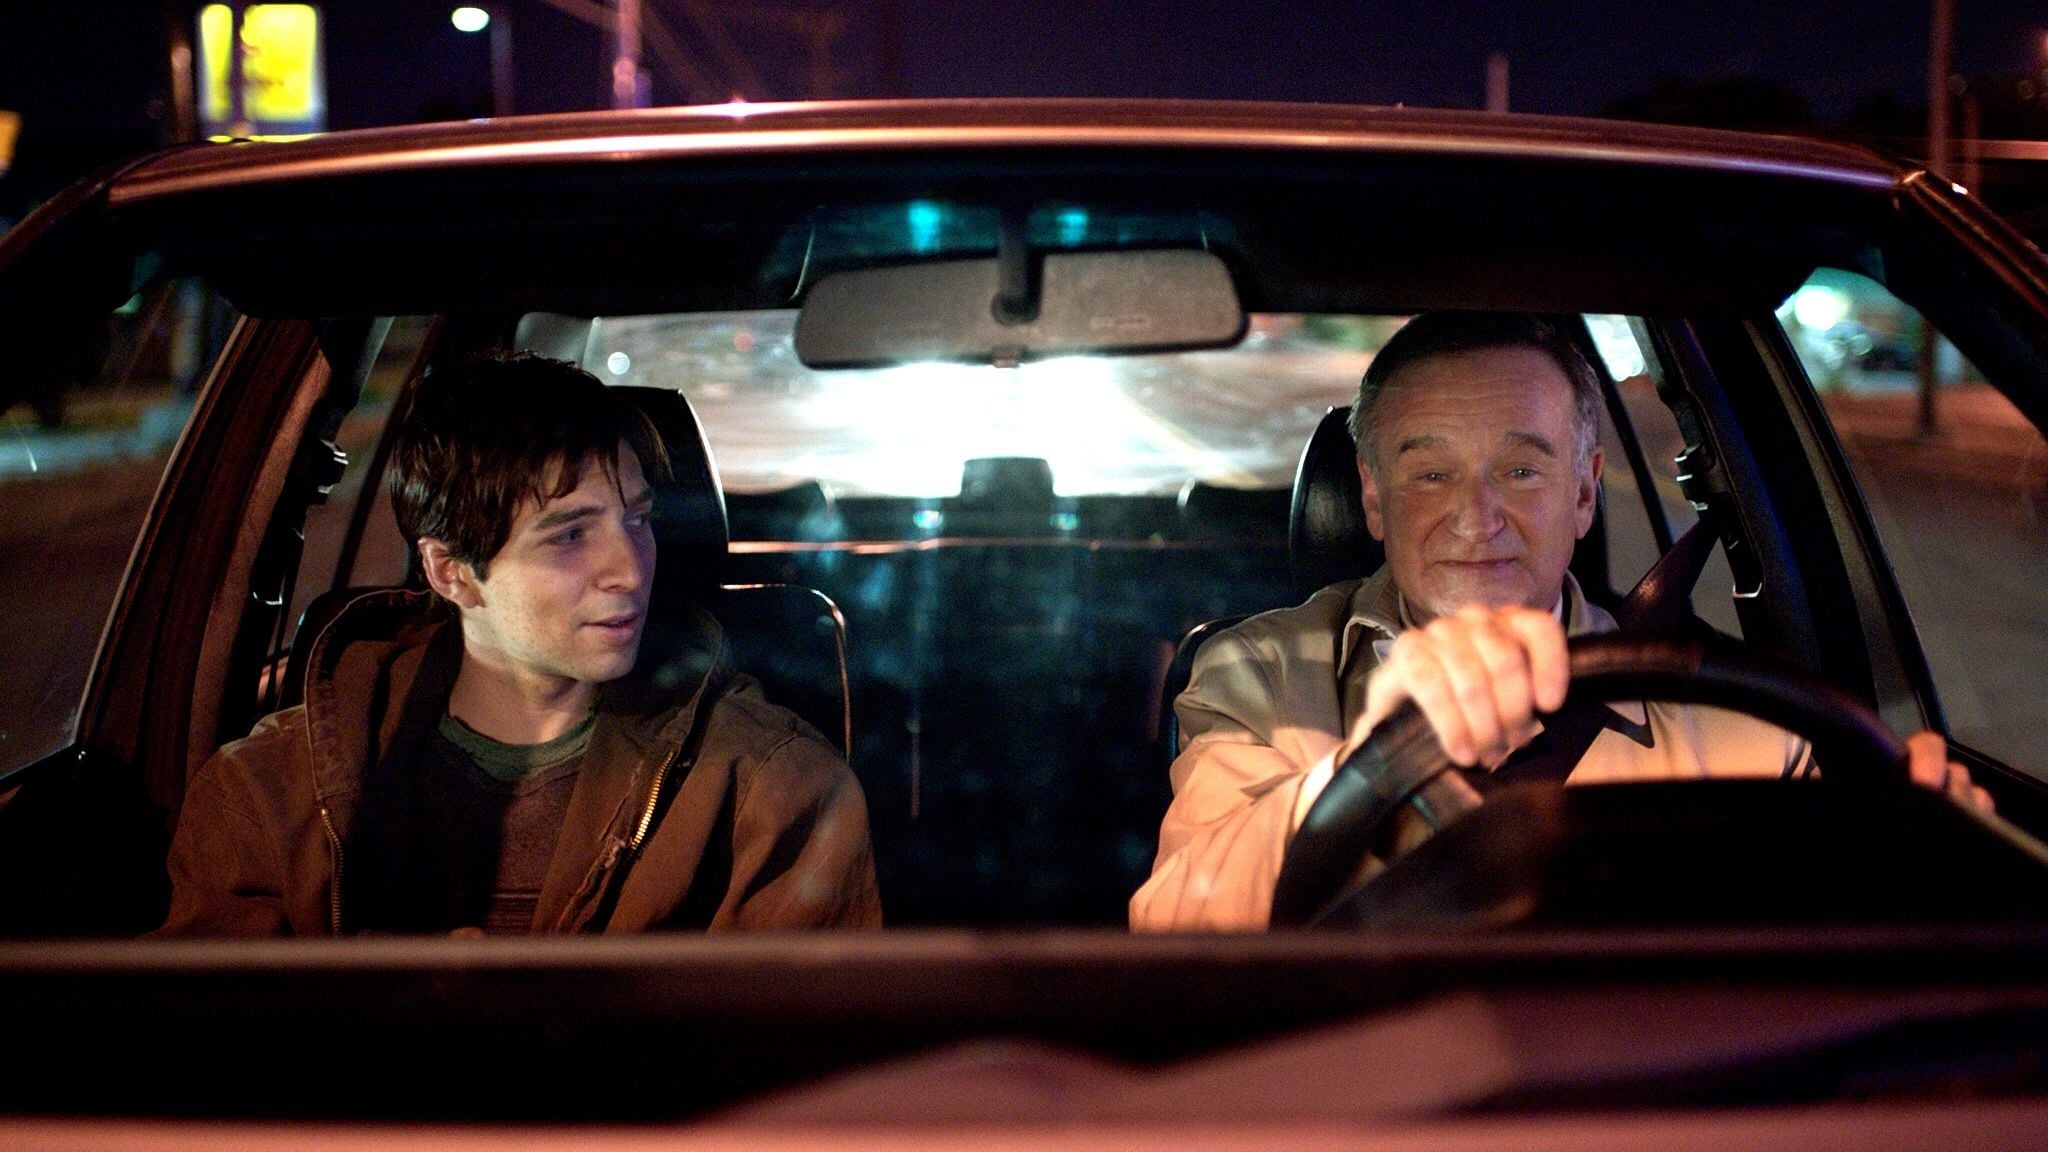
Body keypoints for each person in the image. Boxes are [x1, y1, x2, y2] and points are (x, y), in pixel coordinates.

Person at [1131, 311, 1991, 932]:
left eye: (1521, 471)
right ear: (1372, 498)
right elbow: (1176, 922)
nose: (1476, 519)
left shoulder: (1750, 727)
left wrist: (1921, 866)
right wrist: (1375, 760)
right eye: (1430, 475)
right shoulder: (1257, 672)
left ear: (1584, 492)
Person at [160, 352, 881, 935]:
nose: (631, 570)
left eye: (637, 519)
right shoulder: (272, 794)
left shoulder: (773, 793)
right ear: (451, 572)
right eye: (569, 535)